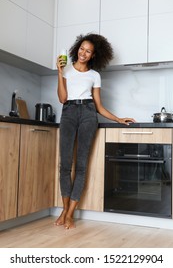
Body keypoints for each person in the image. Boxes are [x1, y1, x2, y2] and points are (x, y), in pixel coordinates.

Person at [55, 33, 136, 229]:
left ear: (93, 55)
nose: (83, 53)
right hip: (68, 112)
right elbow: (62, 99)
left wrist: (117, 118)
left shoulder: (94, 76)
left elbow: (99, 106)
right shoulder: (65, 70)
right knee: (65, 165)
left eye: (88, 51)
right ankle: (64, 209)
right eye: (82, 49)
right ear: (77, 49)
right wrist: (59, 72)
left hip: (89, 114)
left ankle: (71, 213)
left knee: (81, 165)